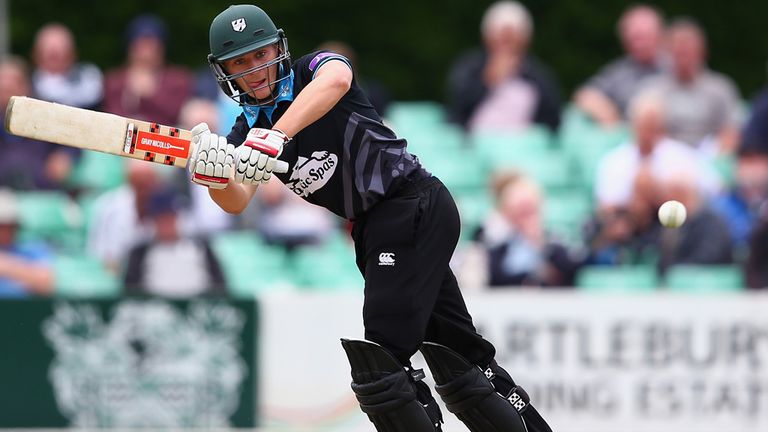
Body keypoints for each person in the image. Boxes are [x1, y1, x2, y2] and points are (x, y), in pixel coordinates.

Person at [188, 5, 552, 432]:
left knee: (381, 371)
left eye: (260, 54)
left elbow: (337, 79)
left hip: (410, 204)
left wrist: (277, 135)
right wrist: (213, 176)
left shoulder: (313, 70)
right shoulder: (245, 132)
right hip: (376, 229)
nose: (255, 69)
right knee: (461, 359)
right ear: (224, 71)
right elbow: (236, 200)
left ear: (279, 48)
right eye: (240, 63)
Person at [446, 0, 561, 133]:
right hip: (474, 145)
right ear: (487, 36)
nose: (507, 43)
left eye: (512, 37)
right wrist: (487, 81)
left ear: (525, 39)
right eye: (502, 36)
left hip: (525, 147)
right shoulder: (469, 67)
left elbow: (553, 118)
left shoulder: (537, 73)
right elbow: (457, 110)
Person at [636, 18, 742, 155]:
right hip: (665, 156)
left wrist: (713, 156)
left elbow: (732, 132)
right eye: (678, 52)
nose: (684, 58)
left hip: (711, 158)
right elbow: (643, 134)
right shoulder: (651, 89)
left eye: (688, 52)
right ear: (666, 52)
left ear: (703, 52)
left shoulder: (721, 88)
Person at [123, 187, 226, 297]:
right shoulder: (140, 253)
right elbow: (130, 292)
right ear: (153, 221)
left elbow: (220, 286)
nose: (166, 224)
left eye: (170, 218)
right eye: (161, 219)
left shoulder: (201, 247)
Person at [573, 4, 665, 126]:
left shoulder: (677, 69)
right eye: (635, 38)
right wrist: (609, 115)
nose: (640, 44)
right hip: (632, 138)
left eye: (645, 37)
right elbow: (585, 94)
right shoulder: (618, 73)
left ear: (660, 36)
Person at [0, 56, 79, 190]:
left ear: (25, 87)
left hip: (41, 191)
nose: (6, 95)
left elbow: (74, 136)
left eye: (12, 88)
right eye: (3, 89)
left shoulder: (44, 115)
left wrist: (65, 155)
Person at [103, 14, 193, 126]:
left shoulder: (178, 79)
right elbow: (111, 117)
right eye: (141, 47)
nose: (146, 55)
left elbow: (175, 115)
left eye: (152, 48)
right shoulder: (114, 80)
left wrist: (148, 96)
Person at [31, 23, 103, 109]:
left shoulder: (90, 79)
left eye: (60, 51)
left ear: (73, 54)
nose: (54, 54)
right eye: (50, 53)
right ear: (36, 55)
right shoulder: (26, 85)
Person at [0, 189, 54, 298]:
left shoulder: (33, 250)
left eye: (10, 225)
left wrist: (5, 266)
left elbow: (46, 283)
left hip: (22, 312)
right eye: (2, 226)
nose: (5, 231)